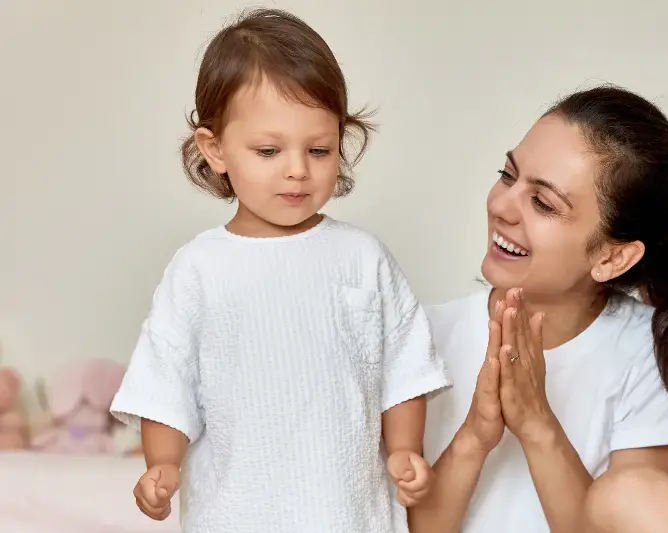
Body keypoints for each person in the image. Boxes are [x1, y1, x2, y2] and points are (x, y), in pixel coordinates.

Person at [109, 9, 451, 533]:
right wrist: (162, 463)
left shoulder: (362, 257)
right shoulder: (199, 268)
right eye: (269, 151)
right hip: (236, 514)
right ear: (215, 149)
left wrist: (405, 449)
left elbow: (403, 368)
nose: (297, 169)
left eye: (320, 149)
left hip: (347, 513)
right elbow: (165, 379)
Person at [409, 85, 668, 533]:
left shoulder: (654, 356)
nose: (501, 207)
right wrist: (474, 436)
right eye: (508, 175)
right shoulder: (420, 334)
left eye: (543, 203)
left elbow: (629, 519)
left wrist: (537, 424)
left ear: (613, 258)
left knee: (631, 492)